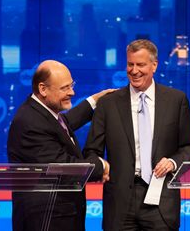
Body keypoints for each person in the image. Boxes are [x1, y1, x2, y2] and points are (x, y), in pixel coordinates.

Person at [84, 39, 190, 231]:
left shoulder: (176, 100)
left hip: (161, 201)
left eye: (141, 65)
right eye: (130, 64)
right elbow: (91, 151)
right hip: (120, 203)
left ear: (154, 65)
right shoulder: (108, 104)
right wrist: (101, 166)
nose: (134, 70)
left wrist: (172, 162)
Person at [7, 60, 113, 231]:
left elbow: (62, 125)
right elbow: (61, 166)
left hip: (57, 215)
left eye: (71, 85)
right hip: (47, 219)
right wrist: (101, 166)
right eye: (64, 88)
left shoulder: (40, 112)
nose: (72, 92)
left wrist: (93, 102)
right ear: (43, 89)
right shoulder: (30, 123)